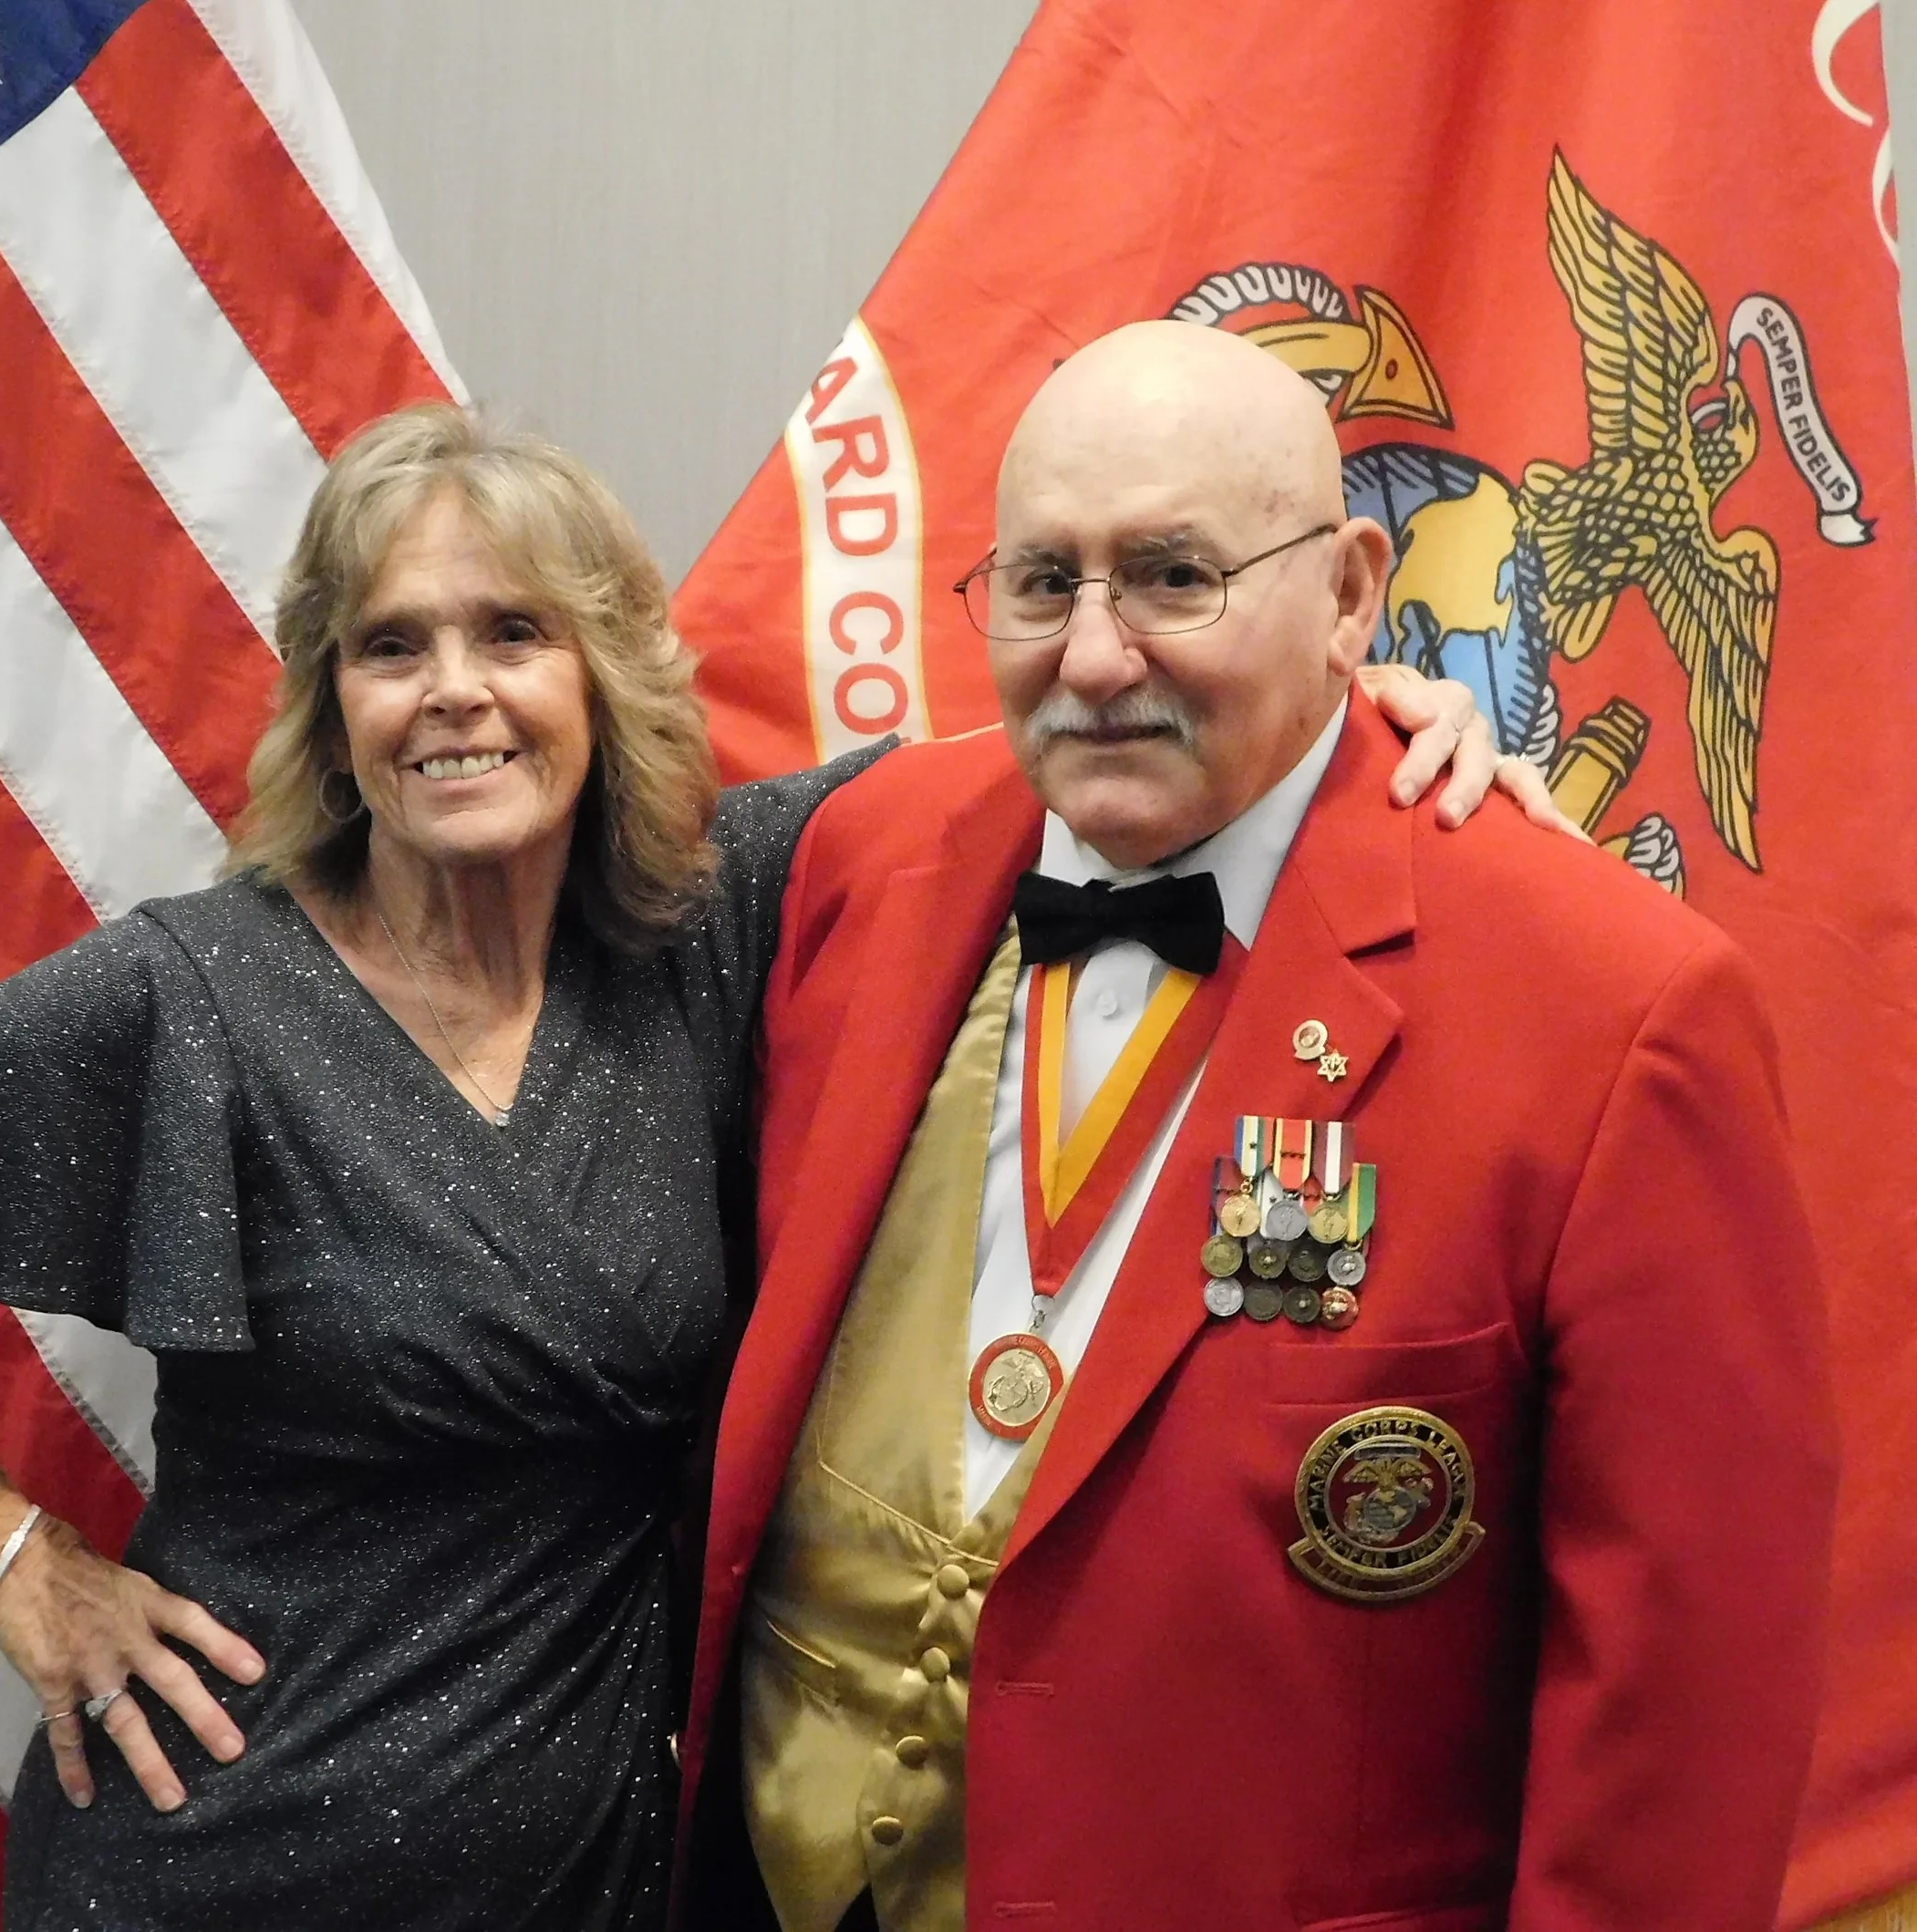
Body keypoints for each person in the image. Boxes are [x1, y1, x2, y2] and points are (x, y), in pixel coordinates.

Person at [0, 404, 1531, 1929]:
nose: (453, 692)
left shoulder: (718, 917)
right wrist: (10, 1555)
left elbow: (1082, 729)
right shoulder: (195, 992)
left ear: (604, 675)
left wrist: (1363, 706)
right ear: (330, 701)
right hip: (229, 1855)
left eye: (513, 634)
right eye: (390, 646)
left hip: (602, 1878)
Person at [675, 322, 1838, 1932]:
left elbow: (1680, 1723)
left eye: (1176, 577)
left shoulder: (1616, 1009)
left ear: (1353, 593)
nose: (1095, 656)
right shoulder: (859, 855)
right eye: (1044, 582)